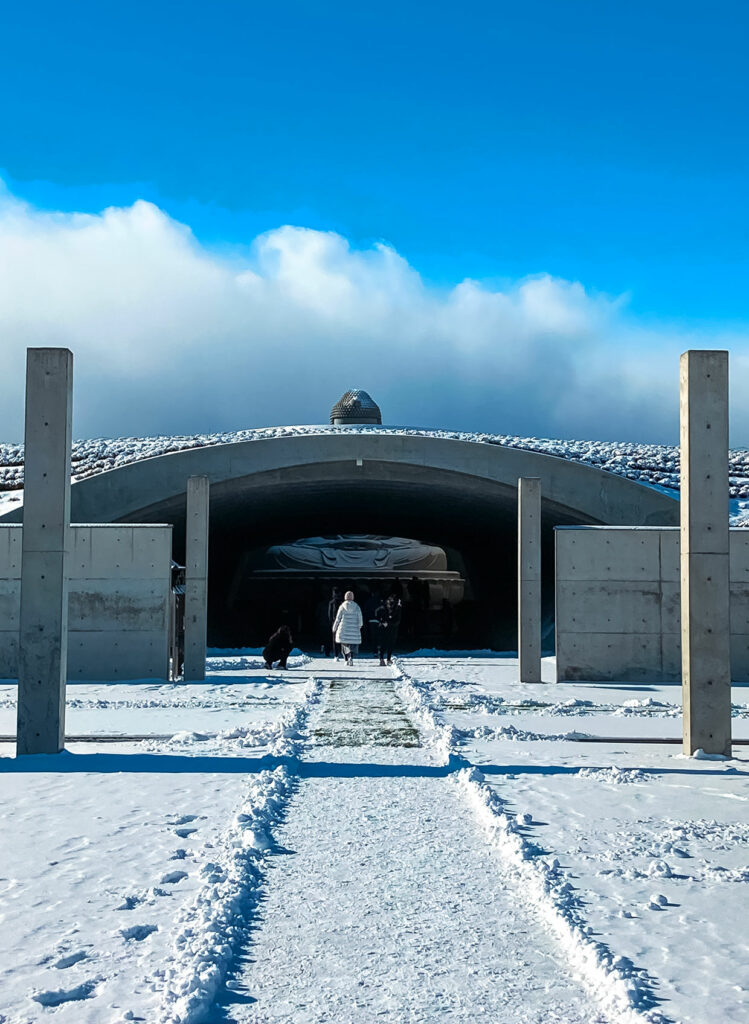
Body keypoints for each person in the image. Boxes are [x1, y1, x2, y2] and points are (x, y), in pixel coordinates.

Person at [332, 590, 363, 665]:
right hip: (354, 628)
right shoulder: (357, 607)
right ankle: (351, 657)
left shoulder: (342, 606)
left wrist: (334, 627)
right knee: (352, 645)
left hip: (343, 628)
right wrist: (359, 626)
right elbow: (360, 618)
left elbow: (338, 618)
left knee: (344, 645)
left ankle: (346, 659)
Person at [375, 593, 401, 666]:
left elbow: (397, 620)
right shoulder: (384, 608)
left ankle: (385, 659)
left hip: (390, 627)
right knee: (385, 643)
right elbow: (377, 614)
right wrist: (382, 621)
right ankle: (384, 659)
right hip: (387, 627)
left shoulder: (396, 608)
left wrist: (385, 623)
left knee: (387, 644)